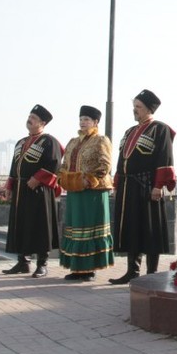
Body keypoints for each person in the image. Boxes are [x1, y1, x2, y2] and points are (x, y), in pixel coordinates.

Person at [109, 89, 177, 285]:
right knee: (132, 227)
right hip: (128, 186)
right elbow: (122, 160)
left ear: (149, 109)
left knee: (149, 229)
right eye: (134, 107)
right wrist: (117, 183)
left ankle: (152, 273)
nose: (135, 110)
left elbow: (164, 157)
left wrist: (158, 185)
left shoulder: (160, 129)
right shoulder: (130, 131)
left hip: (147, 186)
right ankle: (132, 271)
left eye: (138, 107)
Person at [2, 104, 63, 279]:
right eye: (29, 116)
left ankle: (42, 264)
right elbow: (15, 167)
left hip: (39, 191)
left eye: (34, 118)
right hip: (21, 190)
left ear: (43, 122)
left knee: (39, 226)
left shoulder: (49, 141)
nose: (30, 119)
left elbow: (54, 164)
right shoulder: (21, 142)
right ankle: (23, 262)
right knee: (21, 224)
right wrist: (9, 185)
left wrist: (38, 178)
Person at [57, 105, 115, 282]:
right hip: (75, 192)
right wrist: (63, 179)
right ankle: (77, 268)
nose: (83, 122)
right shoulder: (73, 142)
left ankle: (89, 269)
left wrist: (89, 180)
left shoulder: (101, 140)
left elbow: (105, 165)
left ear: (95, 122)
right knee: (76, 229)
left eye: (87, 119)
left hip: (93, 193)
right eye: (81, 119)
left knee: (89, 229)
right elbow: (64, 165)